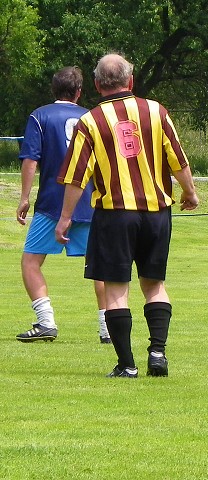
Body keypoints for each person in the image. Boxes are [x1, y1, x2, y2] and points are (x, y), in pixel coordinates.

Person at [55, 53, 199, 377]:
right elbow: (177, 158)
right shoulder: (156, 111)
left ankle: (127, 364)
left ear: (96, 85)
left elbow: (76, 177)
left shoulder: (90, 122)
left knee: (117, 288)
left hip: (115, 213)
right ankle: (158, 353)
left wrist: (64, 218)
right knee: (155, 284)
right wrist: (189, 192)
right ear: (130, 81)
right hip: (156, 212)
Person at [15, 66, 109, 344]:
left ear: (53, 90)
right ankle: (107, 328)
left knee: (31, 262)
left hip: (52, 205)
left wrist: (24, 198)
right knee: (100, 266)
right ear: (79, 92)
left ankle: (46, 322)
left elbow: (31, 160)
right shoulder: (93, 117)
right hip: (89, 203)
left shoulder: (39, 116)